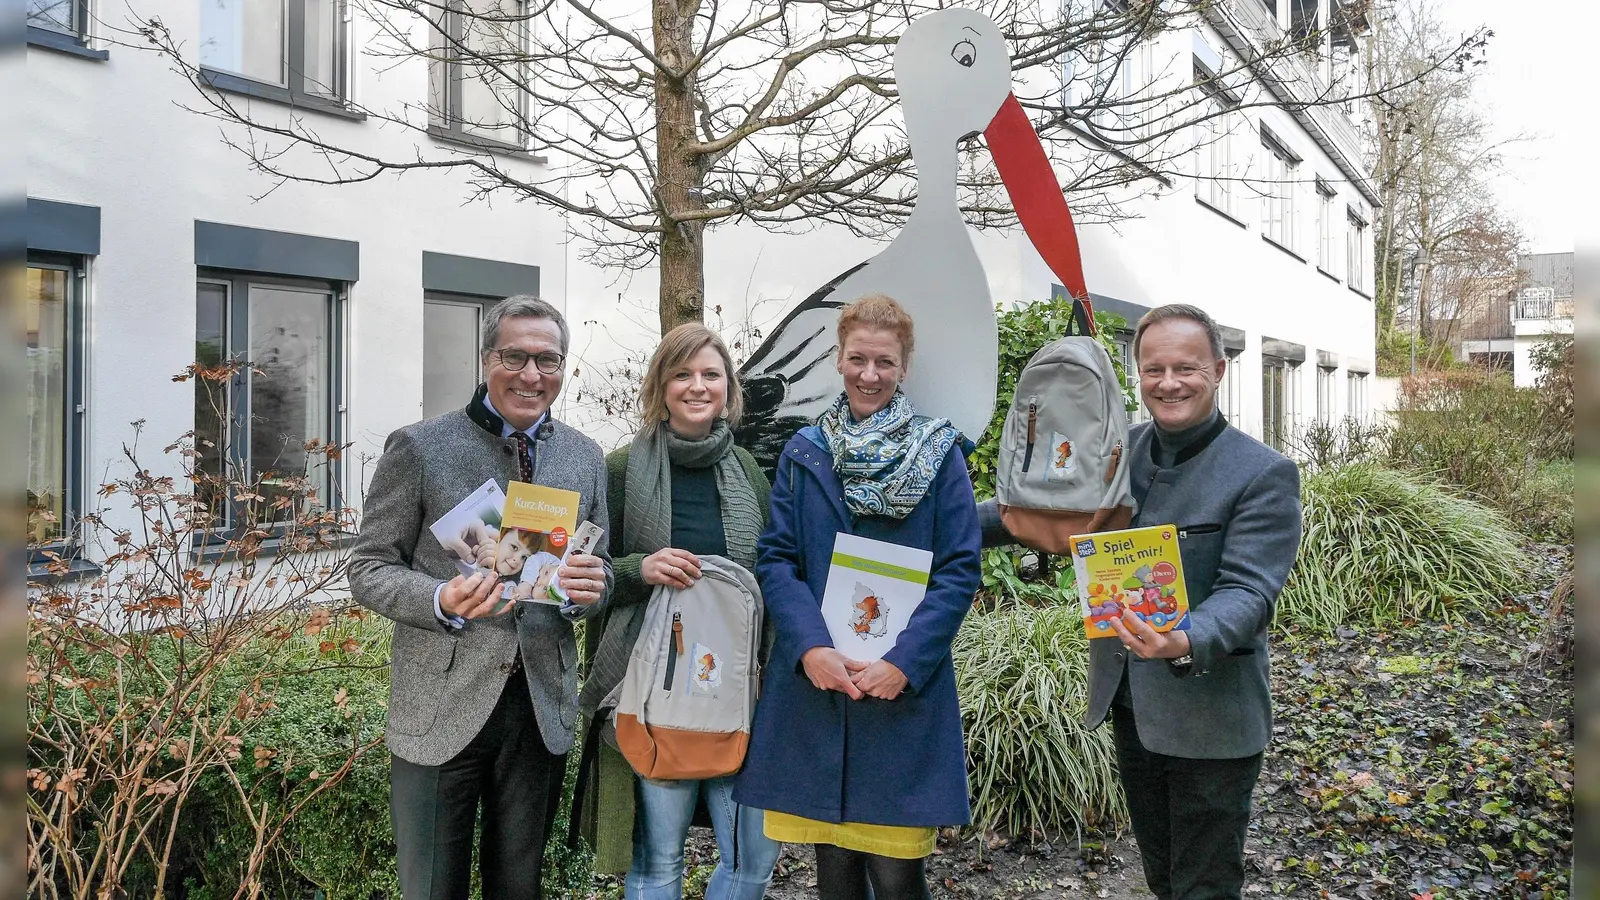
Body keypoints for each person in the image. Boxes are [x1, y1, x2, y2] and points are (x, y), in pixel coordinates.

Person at [349, 295, 612, 900]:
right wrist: (440, 598)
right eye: (514, 356)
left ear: (563, 368)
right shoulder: (419, 447)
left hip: (539, 704)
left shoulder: (585, 457)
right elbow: (367, 567)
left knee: (518, 888)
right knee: (432, 889)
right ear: (486, 357)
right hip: (440, 702)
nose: (531, 374)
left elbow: (595, 573)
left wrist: (584, 594)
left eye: (547, 360)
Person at [734, 294, 982, 900]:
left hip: (900, 693)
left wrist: (904, 663)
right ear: (838, 361)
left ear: (905, 368)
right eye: (858, 359)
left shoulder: (940, 454)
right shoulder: (805, 451)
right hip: (820, 691)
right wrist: (809, 649)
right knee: (835, 875)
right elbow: (778, 559)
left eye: (885, 362)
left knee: (898, 880)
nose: (869, 375)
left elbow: (958, 568)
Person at [1085, 304, 1302, 900]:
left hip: (1212, 716)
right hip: (1131, 705)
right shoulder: (1118, 452)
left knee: (1203, 885)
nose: (1169, 383)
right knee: (1163, 875)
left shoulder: (1263, 473)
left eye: (1187, 368)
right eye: (1153, 369)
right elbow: (1040, 512)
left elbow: (1250, 590)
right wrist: (932, 516)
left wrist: (1185, 638)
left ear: (1220, 370)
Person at [577, 323, 781, 900]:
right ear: (660, 386)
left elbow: (773, 569)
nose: (697, 386)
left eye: (710, 374)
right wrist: (638, 569)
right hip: (653, 690)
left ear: (729, 387)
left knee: (750, 861)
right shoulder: (620, 469)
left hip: (740, 690)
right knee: (658, 861)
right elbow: (581, 578)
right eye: (682, 374)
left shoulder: (748, 472)